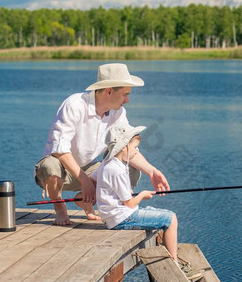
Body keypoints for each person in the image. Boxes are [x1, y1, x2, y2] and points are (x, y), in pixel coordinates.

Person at [34, 63, 170, 226]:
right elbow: (60, 150)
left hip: (87, 169)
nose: (127, 100)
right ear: (109, 91)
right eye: (125, 94)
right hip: (59, 170)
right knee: (50, 165)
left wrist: (152, 171)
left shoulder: (118, 113)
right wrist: (84, 180)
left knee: (130, 169)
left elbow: (126, 149)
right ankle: (60, 208)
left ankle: (87, 201)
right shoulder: (75, 105)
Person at [93, 125, 202, 281]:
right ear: (124, 147)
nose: (137, 152)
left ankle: (172, 259)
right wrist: (143, 194)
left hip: (113, 216)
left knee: (154, 211)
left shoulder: (106, 164)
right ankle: (175, 266)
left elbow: (103, 186)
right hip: (123, 218)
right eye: (135, 147)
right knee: (170, 219)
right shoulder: (117, 170)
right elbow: (130, 204)